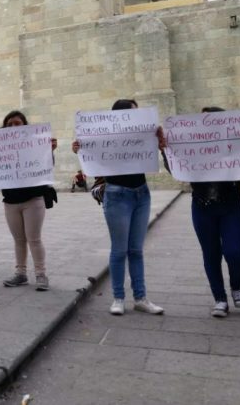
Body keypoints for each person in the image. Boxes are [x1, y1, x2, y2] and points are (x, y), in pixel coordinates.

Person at [72, 99, 163, 316]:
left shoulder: (142, 132)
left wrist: (158, 140)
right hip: (117, 194)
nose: (138, 115)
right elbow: (92, 152)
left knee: (136, 250)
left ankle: (140, 297)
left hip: (141, 193)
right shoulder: (106, 134)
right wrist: (79, 147)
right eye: (134, 112)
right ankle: (118, 297)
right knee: (119, 249)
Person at [158, 107, 240, 318]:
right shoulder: (194, 144)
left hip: (231, 206)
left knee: (234, 252)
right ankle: (220, 298)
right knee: (211, 253)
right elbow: (176, 168)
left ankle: (237, 287)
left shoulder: (234, 145)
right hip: (202, 206)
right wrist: (165, 150)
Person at [0, 110, 56, 291]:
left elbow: (47, 167)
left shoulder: (35, 145)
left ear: (25, 126)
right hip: (10, 201)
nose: (14, 127)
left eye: (18, 123)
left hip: (33, 199)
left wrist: (49, 151)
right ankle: (21, 273)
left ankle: (40, 274)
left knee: (34, 239)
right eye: (10, 124)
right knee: (18, 240)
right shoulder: (0, 148)